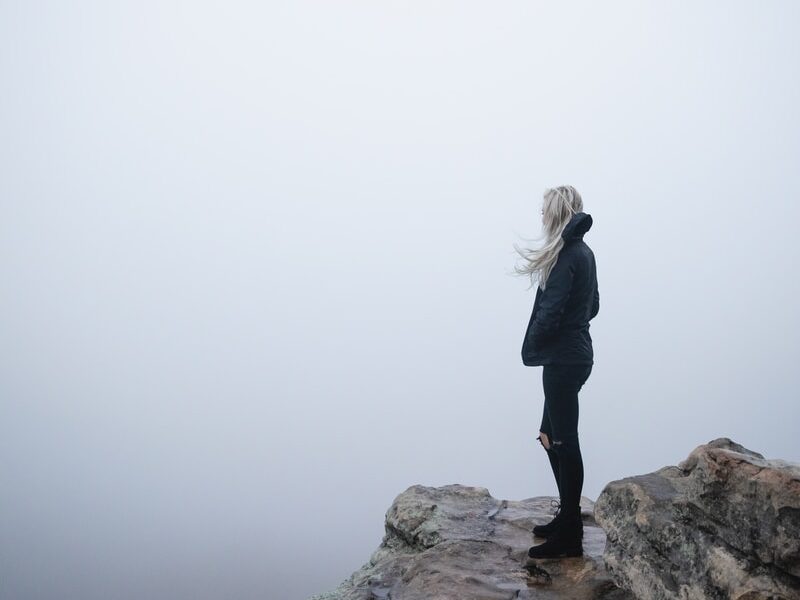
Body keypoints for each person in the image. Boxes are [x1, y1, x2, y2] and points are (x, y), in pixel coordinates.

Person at [513, 185, 599, 559]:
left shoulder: (567, 254)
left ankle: (571, 533)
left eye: (543, 210)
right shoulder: (584, 251)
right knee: (550, 435)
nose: (541, 216)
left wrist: (541, 337)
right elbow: (593, 305)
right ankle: (567, 517)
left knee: (564, 440)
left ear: (555, 211)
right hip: (575, 356)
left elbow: (553, 310)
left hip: (563, 360)